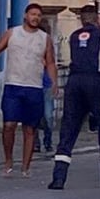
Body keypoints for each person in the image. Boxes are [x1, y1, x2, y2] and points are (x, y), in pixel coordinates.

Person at [48, 4, 100, 190]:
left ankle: (58, 179)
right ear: (97, 19)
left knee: (68, 129)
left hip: (74, 83)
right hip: (95, 83)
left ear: (81, 20)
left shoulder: (74, 37)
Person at [0, 3, 59, 178]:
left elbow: (50, 62)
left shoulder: (44, 38)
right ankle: (8, 161)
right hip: (13, 85)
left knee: (30, 129)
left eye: (38, 15)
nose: (35, 18)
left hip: (34, 87)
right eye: (33, 14)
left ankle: (25, 167)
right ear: (25, 16)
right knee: (9, 125)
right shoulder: (12, 33)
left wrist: (54, 83)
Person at [32, 18, 57, 155]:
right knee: (33, 116)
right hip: (32, 83)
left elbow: (52, 64)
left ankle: (48, 141)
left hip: (46, 84)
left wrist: (54, 83)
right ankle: (35, 143)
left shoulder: (49, 46)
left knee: (48, 116)